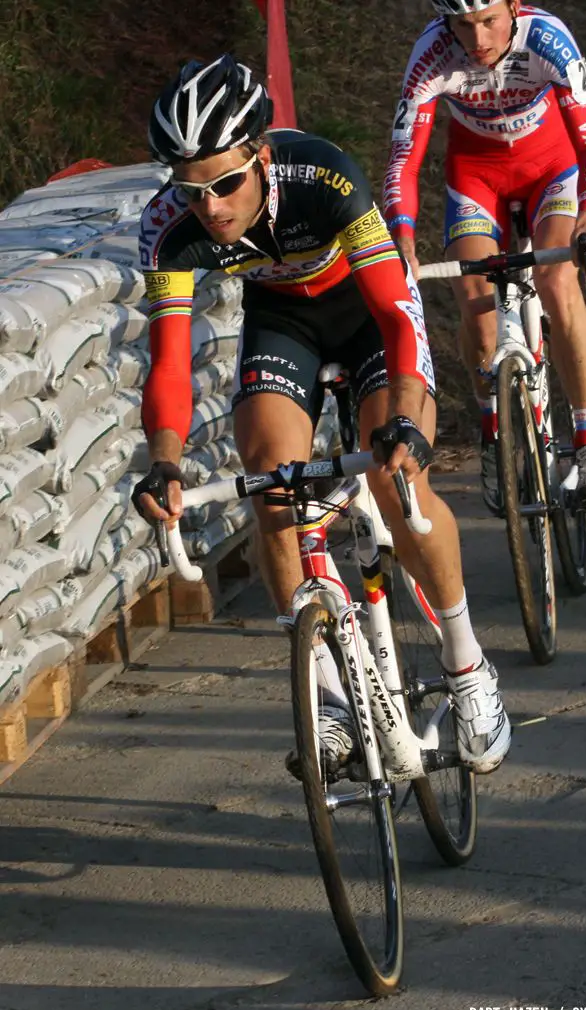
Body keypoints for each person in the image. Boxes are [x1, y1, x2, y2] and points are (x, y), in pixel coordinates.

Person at [132, 54, 511, 775]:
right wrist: (165, 461)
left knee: (400, 482)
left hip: (367, 316)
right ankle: (331, 700)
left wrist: (403, 416)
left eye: (224, 183)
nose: (208, 207)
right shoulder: (166, 228)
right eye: (189, 189)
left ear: (260, 155)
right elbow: (171, 361)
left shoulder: (325, 177)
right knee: (272, 489)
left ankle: (467, 667)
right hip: (283, 325)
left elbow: (397, 313)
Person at [383, 0, 586, 515]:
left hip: (551, 169)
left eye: (489, 20)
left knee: (557, 281)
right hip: (476, 177)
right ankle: (494, 435)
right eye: (463, 26)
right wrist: (400, 234)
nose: (478, 38)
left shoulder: (547, 38)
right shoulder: (433, 53)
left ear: (513, 7)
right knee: (476, 303)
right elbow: (404, 157)